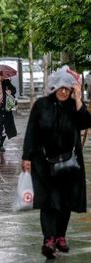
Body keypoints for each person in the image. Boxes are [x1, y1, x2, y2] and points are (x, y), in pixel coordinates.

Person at [21, 65, 91, 259]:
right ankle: (49, 240)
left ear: (71, 89)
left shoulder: (73, 106)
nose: (63, 91)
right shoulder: (41, 104)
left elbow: (86, 122)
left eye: (67, 88)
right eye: (60, 87)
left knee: (65, 203)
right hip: (44, 163)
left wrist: (78, 98)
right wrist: (26, 156)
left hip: (69, 164)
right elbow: (31, 132)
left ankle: (61, 236)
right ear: (53, 87)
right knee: (49, 202)